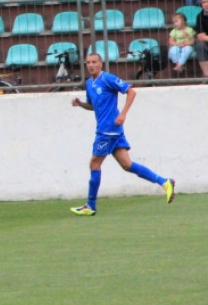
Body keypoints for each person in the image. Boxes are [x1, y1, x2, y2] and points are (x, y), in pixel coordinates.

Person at [70, 52, 175, 216]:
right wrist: (81, 104)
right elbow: (93, 106)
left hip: (108, 130)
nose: (90, 65)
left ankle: (90, 205)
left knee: (94, 164)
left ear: (100, 64)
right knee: (127, 165)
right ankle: (164, 182)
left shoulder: (108, 79)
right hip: (111, 131)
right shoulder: (90, 84)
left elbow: (131, 92)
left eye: (94, 62)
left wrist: (123, 114)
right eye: (88, 62)